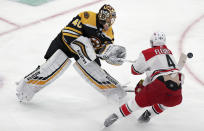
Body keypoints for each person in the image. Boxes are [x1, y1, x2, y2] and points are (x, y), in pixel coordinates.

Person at [16, 4, 127, 103]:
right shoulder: (87, 16)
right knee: (51, 65)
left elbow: (102, 51)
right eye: (106, 20)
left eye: (111, 21)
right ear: (100, 16)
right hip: (64, 44)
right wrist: (90, 52)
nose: (108, 24)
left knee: (95, 71)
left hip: (84, 53)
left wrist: (110, 54)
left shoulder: (109, 33)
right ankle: (26, 86)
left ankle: (113, 93)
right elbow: (69, 34)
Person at [104, 32, 185, 127]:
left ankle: (115, 116)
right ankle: (148, 115)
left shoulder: (147, 53)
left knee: (136, 103)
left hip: (160, 82)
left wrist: (139, 63)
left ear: (151, 42)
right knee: (168, 101)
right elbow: (170, 69)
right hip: (177, 82)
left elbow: (135, 71)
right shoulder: (169, 52)